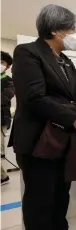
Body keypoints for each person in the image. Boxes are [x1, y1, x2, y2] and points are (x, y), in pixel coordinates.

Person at [9, 5, 76, 230]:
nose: (75, 34)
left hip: (63, 142)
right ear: (56, 30)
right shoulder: (27, 52)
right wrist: (73, 118)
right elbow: (34, 98)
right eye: (71, 28)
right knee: (40, 202)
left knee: (61, 198)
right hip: (37, 142)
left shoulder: (65, 60)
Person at [1, 51, 14, 185]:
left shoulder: (9, 81)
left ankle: (2, 177)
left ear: (8, 66)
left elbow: (5, 97)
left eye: (2, 62)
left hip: (2, 120)